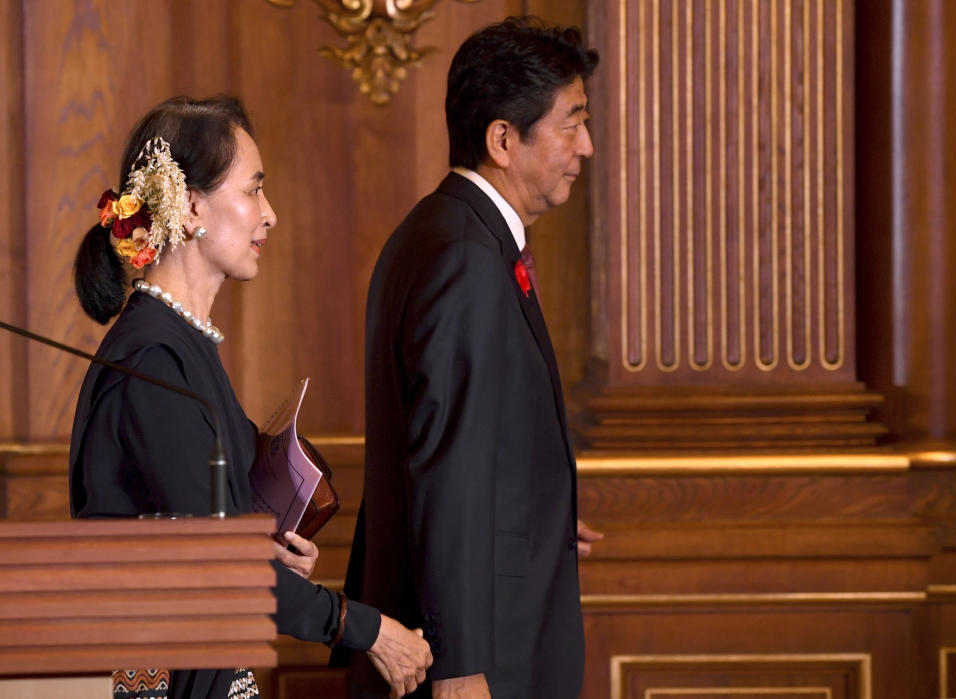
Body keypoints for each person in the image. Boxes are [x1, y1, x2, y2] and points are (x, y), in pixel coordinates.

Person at [69, 96, 432, 699]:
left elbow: (208, 538)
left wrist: (270, 550)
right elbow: (213, 564)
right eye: (253, 190)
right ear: (189, 207)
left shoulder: (180, 343)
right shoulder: (152, 359)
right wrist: (371, 631)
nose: (270, 214)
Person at [335, 17, 603, 698]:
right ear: (503, 140)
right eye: (571, 124)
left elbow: (466, 436)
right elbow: (444, 467)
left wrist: (537, 501)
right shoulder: (463, 256)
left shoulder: (444, 231)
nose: (587, 147)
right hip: (475, 663)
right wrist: (460, 663)